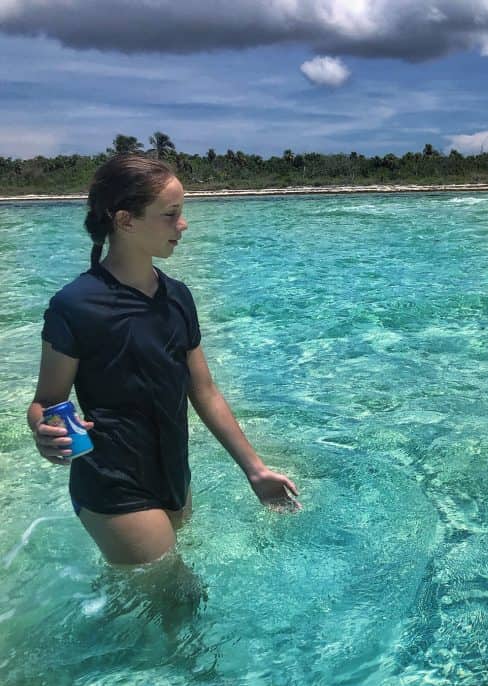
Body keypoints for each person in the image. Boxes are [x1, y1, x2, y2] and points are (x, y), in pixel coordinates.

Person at [27, 154, 300, 568]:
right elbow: (47, 400)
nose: (183, 224)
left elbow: (204, 391)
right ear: (125, 221)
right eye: (171, 214)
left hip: (173, 474)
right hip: (111, 481)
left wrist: (255, 470)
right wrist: (43, 431)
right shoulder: (76, 305)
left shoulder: (178, 297)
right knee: (180, 601)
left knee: (146, 600)